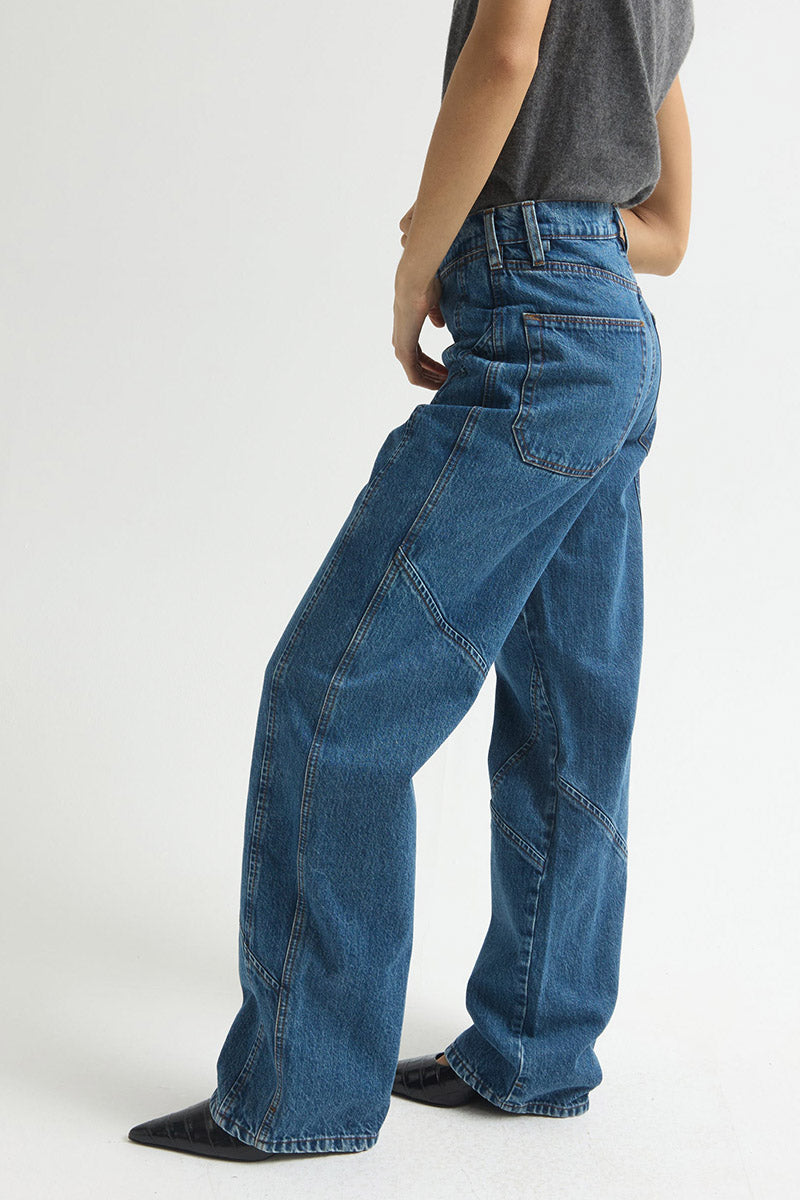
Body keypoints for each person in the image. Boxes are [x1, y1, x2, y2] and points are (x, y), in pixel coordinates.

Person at [129, 0, 694, 1161]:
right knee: (569, 717)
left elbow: (505, 49)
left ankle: (300, 1098)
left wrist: (420, 259)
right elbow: (668, 231)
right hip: (610, 333)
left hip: (534, 331)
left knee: (333, 696)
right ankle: (534, 1052)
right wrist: (562, 235)